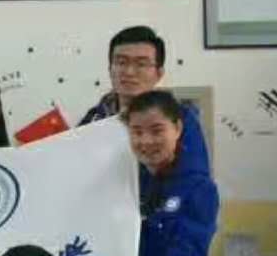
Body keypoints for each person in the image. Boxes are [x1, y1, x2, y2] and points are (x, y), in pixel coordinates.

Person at [78, 26, 210, 172]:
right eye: (121, 62)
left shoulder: (179, 118)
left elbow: (194, 177)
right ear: (110, 69)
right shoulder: (94, 119)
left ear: (159, 73)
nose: (129, 72)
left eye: (141, 64)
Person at [127, 90, 219, 256]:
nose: (146, 141)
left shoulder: (199, 188)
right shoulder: (128, 185)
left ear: (177, 129)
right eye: (137, 132)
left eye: (157, 131)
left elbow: (186, 250)